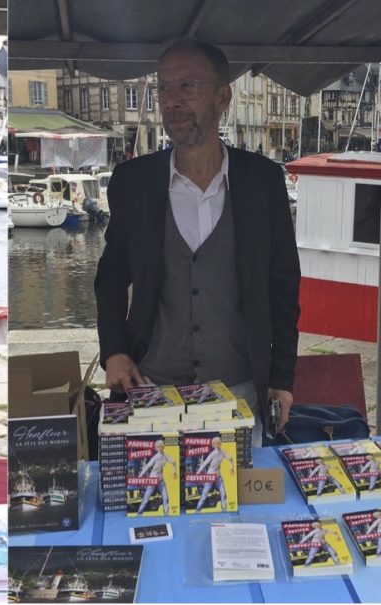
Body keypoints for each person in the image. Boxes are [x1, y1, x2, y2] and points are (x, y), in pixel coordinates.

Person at [94, 39, 300, 447]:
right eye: (163, 89)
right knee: (152, 503)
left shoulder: (263, 182)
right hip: (150, 388)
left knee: (235, 510)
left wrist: (281, 378)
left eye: (186, 87)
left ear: (223, 96)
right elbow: (111, 276)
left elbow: (284, 285)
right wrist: (114, 350)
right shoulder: (133, 182)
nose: (171, 101)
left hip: (239, 390)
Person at [136, 439, 177, 515]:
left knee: (166, 498)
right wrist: (140, 476)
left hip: (161, 481)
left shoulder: (166, 456)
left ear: (163, 447)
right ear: (156, 448)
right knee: (146, 498)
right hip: (153, 480)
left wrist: (174, 471)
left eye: (160, 446)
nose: (159, 448)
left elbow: (174, 462)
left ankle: (166, 514)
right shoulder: (155, 457)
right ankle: (139, 513)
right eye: (157, 447)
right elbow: (147, 467)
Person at [194, 436, 234, 511]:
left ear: (219, 444)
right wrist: (198, 472)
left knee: (223, 494)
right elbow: (205, 463)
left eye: (217, 443)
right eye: (214, 443)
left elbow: (231, 459)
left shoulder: (223, 453)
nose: (215, 445)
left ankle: (224, 511)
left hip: (218, 477)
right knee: (204, 495)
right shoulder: (212, 454)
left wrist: (232, 467)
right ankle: (197, 510)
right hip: (210, 476)